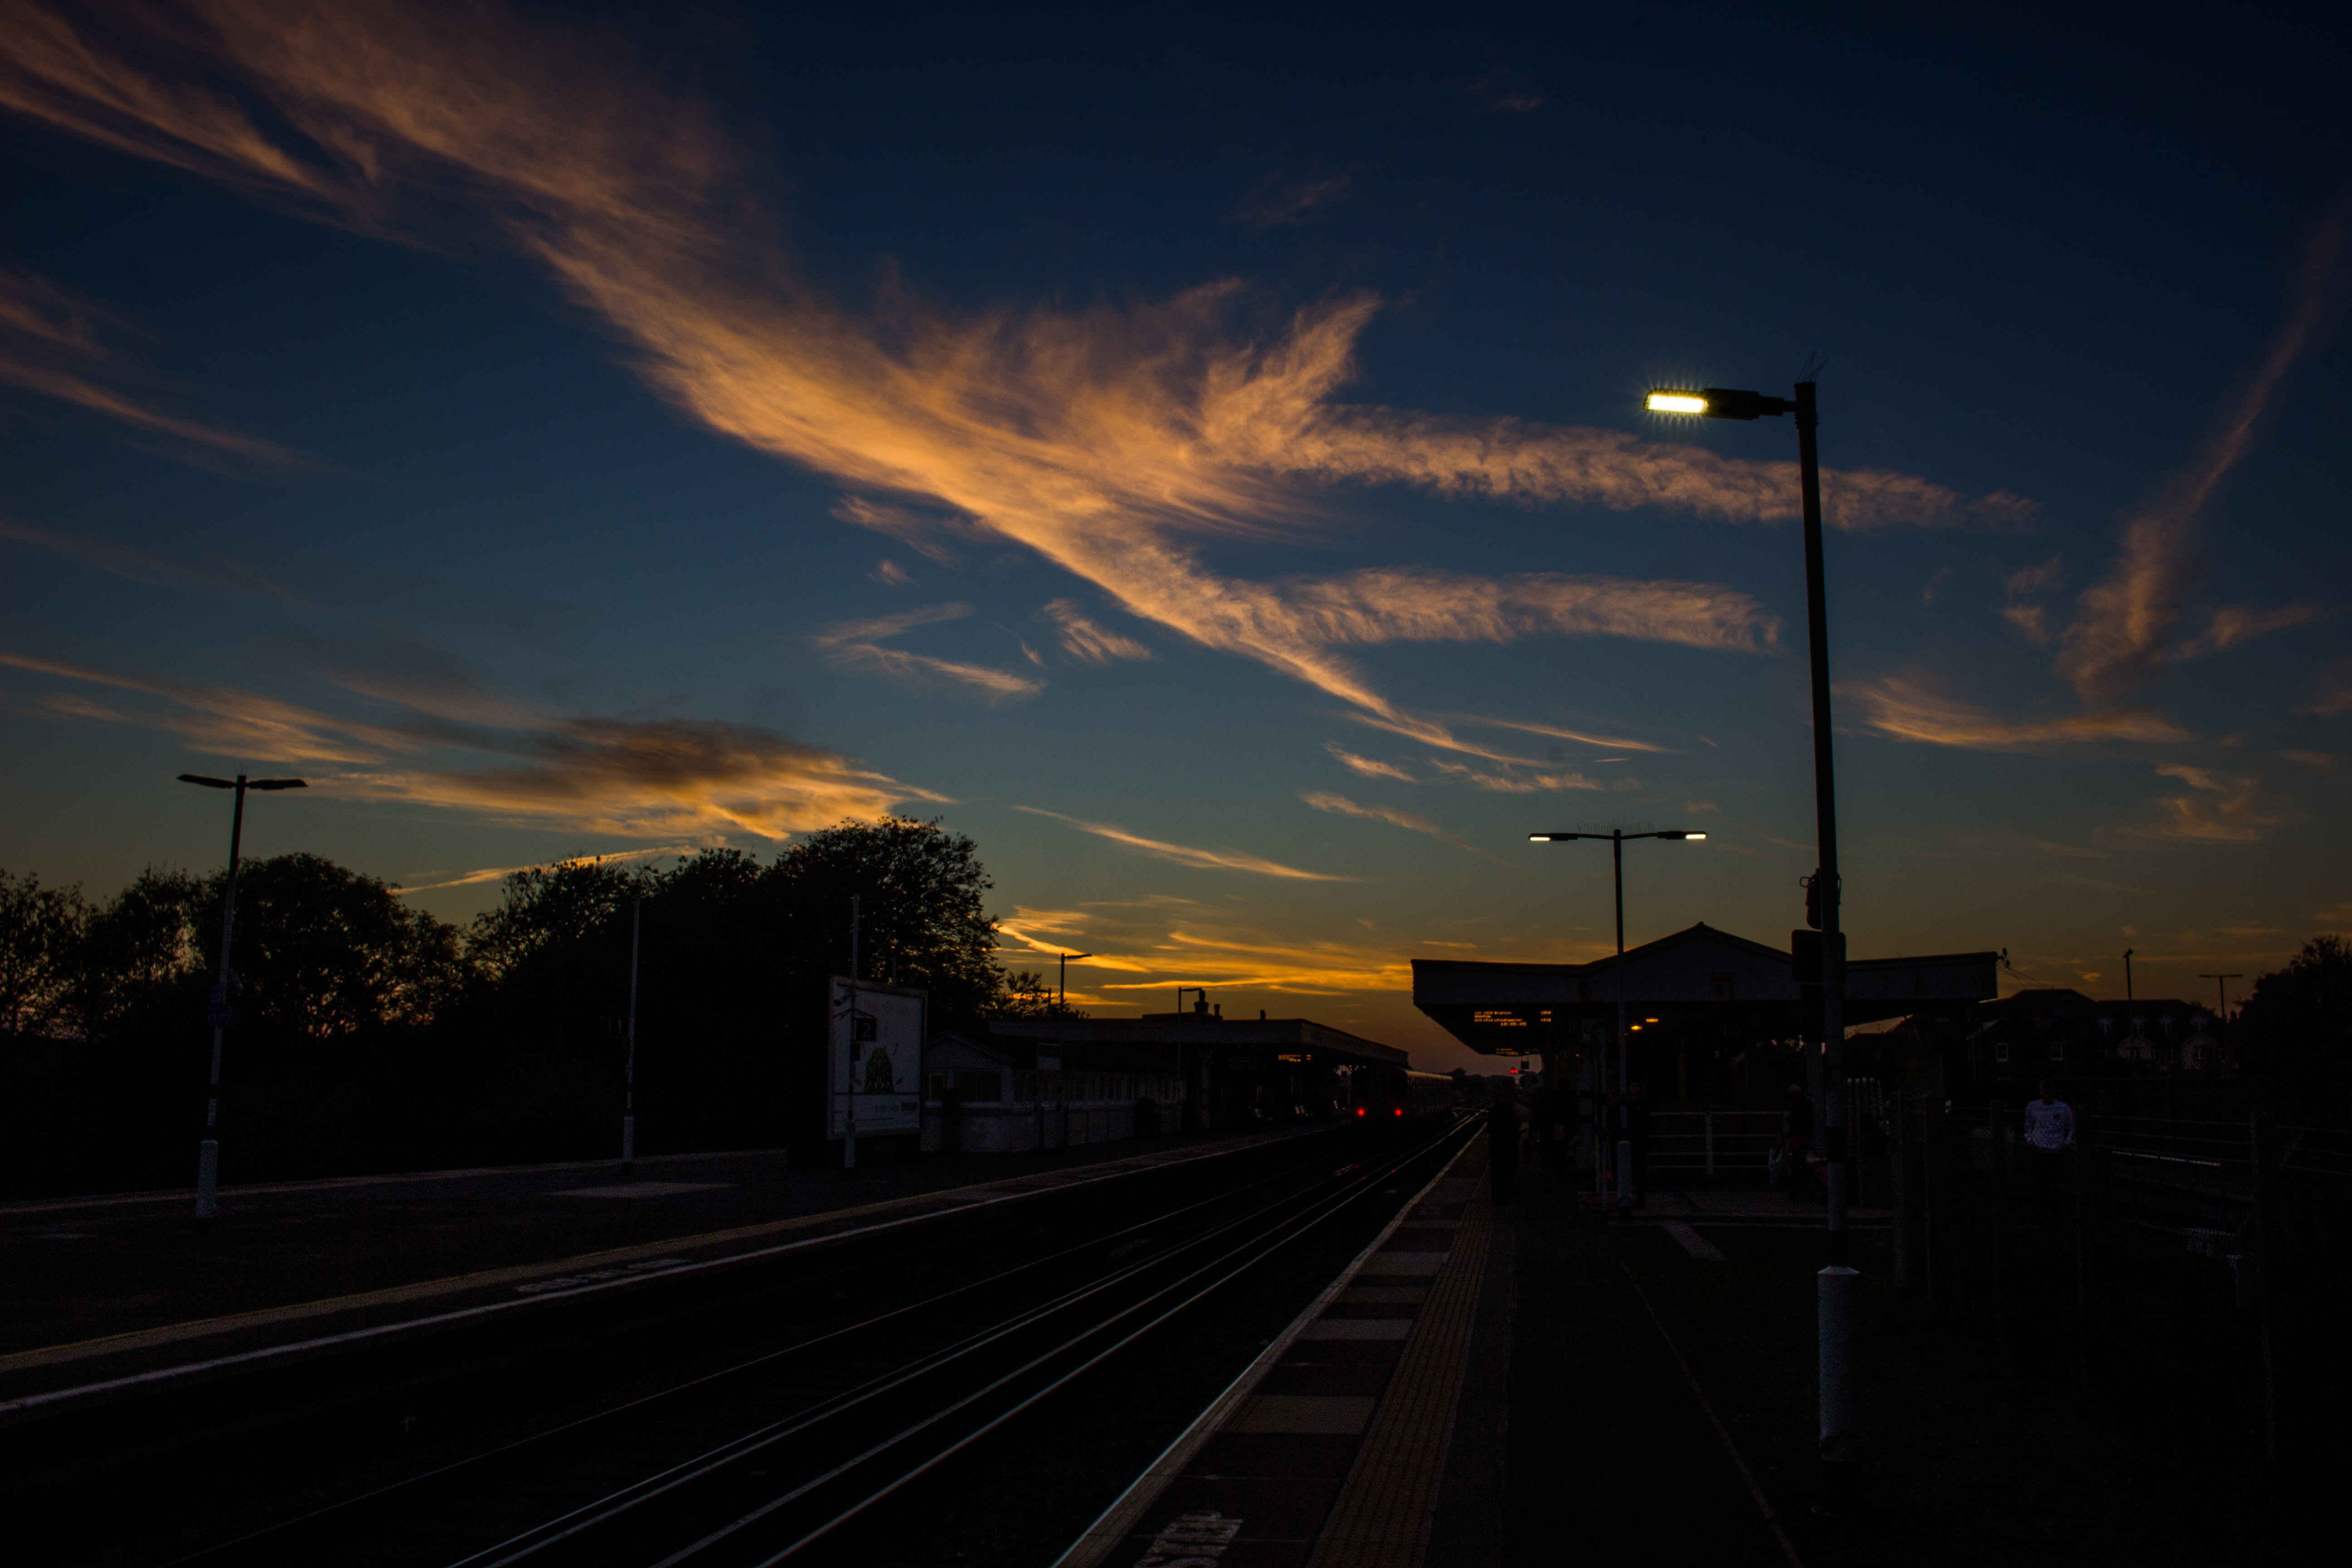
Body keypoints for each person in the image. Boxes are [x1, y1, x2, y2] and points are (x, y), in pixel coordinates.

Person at [1784, 1082, 1821, 1201]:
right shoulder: (1807, 1104)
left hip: (1799, 1138)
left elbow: (1797, 1122)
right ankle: (1810, 1189)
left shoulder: (1798, 1106)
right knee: (1808, 1163)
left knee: (1797, 1164)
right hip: (1807, 1137)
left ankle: (1796, 1190)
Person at [1488, 1092, 1518, 1204]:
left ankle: (1502, 1194)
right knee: (1500, 1171)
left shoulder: (1497, 1109)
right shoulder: (1503, 1111)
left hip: (1499, 1144)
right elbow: (1503, 1128)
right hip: (1502, 1144)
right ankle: (1499, 1197)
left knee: (1501, 1171)